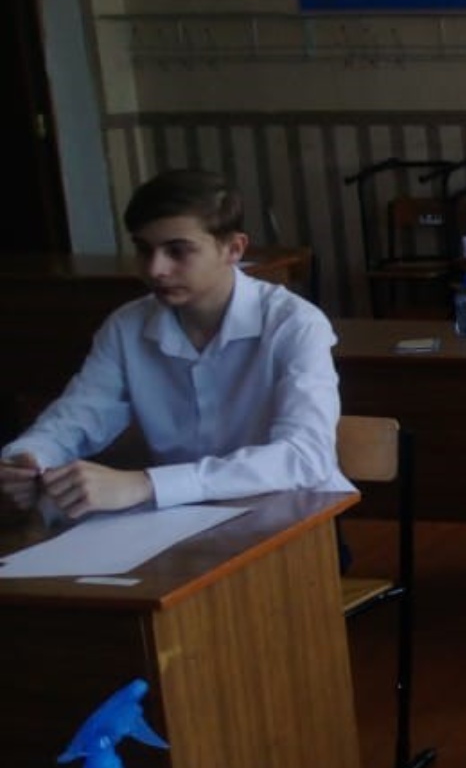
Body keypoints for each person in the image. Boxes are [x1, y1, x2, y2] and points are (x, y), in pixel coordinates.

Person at [0, 169, 353, 525]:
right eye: (144, 249)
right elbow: (78, 415)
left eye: (178, 251)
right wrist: (29, 458)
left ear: (233, 249)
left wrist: (148, 484)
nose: (156, 269)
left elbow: (305, 456)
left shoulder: (294, 323)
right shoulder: (126, 326)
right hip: (180, 522)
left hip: (294, 521)